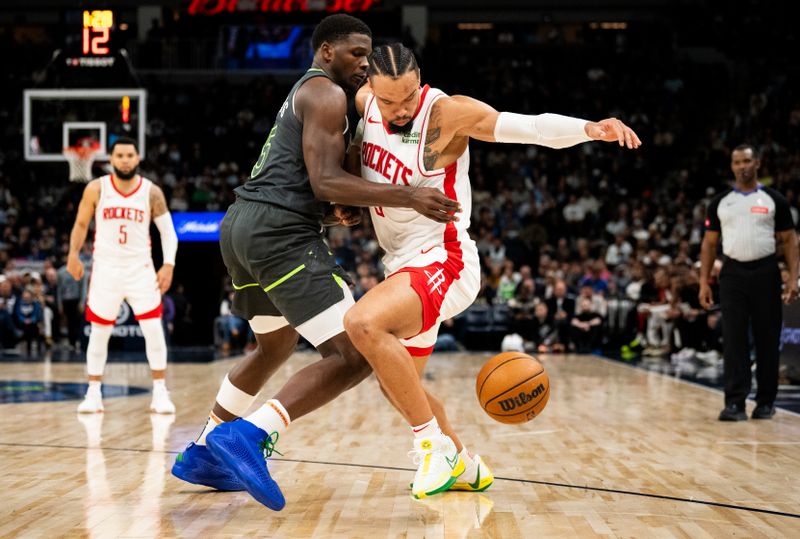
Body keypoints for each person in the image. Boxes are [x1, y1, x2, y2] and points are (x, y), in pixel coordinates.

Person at [171, 15, 460, 511]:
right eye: (355, 53)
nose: (365, 62)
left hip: (241, 228)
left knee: (274, 346)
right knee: (354, 352)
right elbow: (325, 180)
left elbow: (315, 186)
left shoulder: (309, 94)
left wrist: (331, 210)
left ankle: (202, 448)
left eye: (368, 54)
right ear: (326, 51)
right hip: (279, 234)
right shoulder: (326, 94)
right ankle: (251, 436)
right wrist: (408, 196)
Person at [343, 43, 641, 498]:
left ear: (420, 80)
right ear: (371, 91)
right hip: (401, 265)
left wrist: (590, 129)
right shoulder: (367, 104)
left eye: (407, 97)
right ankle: (462, 464)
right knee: (396, 386)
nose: (399, 110)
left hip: (446, 258)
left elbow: (528, 127)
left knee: (363, 322)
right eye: (388, 101)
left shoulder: (447, 113)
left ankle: (432, 447)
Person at [67, 137, 179, 414]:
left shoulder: (151, 192)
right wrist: (72, 253)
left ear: (137, 158)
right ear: (111, 159)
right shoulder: (96, 188)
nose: (125, 159)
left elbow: (168, 232)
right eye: (120, 155)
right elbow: (81, 223)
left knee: (153, 330)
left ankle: (160, 392)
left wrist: (168, 264)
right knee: (100, 332)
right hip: (105, 268)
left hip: (140, 269)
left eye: (130, 155)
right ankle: (93, 393)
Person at [699, 144, 799, 421]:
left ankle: (766, 401)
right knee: (733, 338)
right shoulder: (720, 202)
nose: (741, 166)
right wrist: (703, 282)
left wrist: (793, 278)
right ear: (732, 166)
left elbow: (790, 240)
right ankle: (735, 403)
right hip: (732, 273)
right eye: (736, 162)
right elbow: (709, 245)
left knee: (767, 338)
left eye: (746, 161)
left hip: (766, 271)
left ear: (757, 164)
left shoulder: (774, 199)